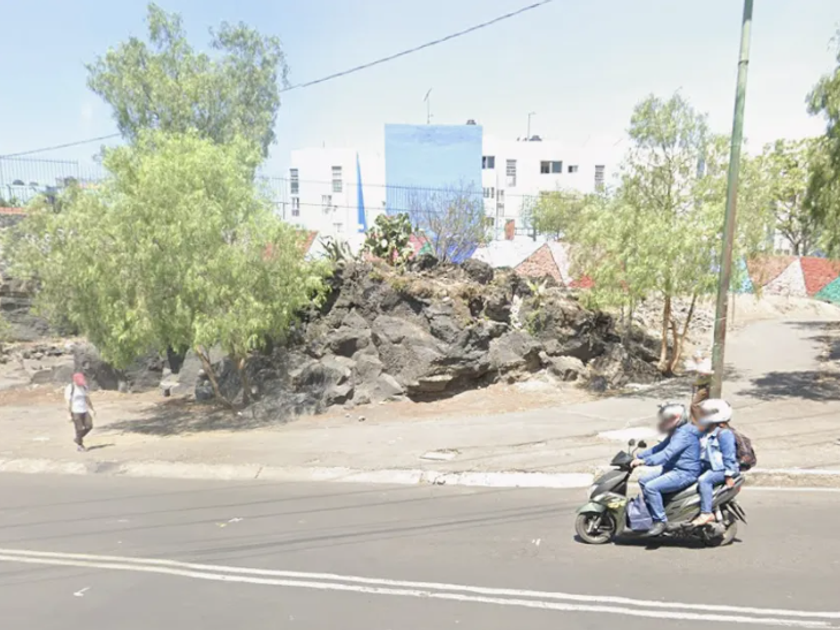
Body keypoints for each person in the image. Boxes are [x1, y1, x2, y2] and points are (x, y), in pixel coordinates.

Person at [631, 402, 703, 536]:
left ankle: (661, 521)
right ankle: (658, 509)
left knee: (651, 487)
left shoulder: (684, 434)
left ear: (677, 418)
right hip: (673, 468)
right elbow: (660, 448)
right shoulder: (677, 431)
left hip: (684, 472)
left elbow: (666, 454)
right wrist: (638, 455)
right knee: (643, 480)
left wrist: (644, 462)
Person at [691, 399, 739, 527]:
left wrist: (728, 475)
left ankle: (706, 513)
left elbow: (729, 456)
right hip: (709, 466)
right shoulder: (707, 431)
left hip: (722, 469)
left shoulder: (724, 433)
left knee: (704, 480)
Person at [64, 372, 95, 452]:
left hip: (84, 410)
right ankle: (80, 445)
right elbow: (68, 402)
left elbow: (87, 398)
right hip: (75, 411)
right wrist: (69, 414)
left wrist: (92, 409)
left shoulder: (84, 387)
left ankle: (77, 438)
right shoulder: (70, 388)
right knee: (79, 429)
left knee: (89, 426)